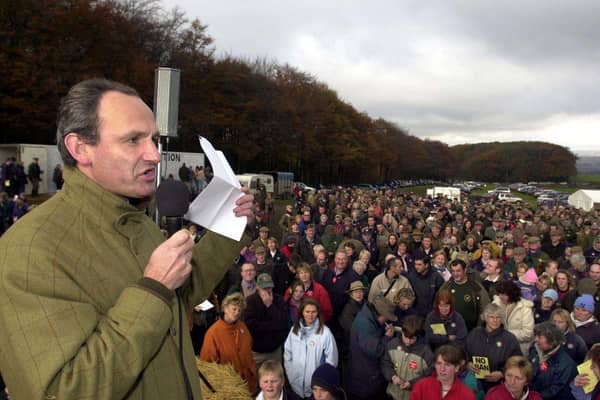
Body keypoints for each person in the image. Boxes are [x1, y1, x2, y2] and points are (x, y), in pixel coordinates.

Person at [0, 78, 256, 400]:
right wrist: (153, 288)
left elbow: (177, 299)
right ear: (80, 148)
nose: (154, 155)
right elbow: (62, 390)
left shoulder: (137, 222)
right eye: (133, 140)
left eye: (153, 139)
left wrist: (229, 230)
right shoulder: (29, 251)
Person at [199, 293, 257, 393]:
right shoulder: (213, 333)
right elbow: (207, 364)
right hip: (229, 388)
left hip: (248, 384)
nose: (237, 312)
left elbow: (249, 350)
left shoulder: (242, 327)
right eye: (234, 309)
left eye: (239, 310)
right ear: (225, 309)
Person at [284, 298, 338, 399]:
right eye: (307, 311)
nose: (310, 315)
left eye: (313, 312)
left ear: (318, 313)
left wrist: (321, 384)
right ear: (302, 313)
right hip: (295, 387)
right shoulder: (294, 330)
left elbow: (332, 361)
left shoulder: (325, 333)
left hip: (316, 391)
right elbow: (287, 354)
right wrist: (291, 376)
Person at [346, 295, 397, 400]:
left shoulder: (368, 317)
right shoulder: (364, 324)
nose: (387, 321)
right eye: (387, 318)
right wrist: (387, 337)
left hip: (366, 379)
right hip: (365, 382)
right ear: (380, 314)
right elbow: (376, 350)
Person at [465, 303, 522, 393]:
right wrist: (467, 363)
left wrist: (502, 374)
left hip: (499, 385)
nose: (495, 320)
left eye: (498, 317)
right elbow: (464, 352)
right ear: (485, 318)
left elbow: (518, 362)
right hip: (474, 383)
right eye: (491, 317)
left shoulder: (509, 339)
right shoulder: (474, 333)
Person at [243, 273, 290, 370]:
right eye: (264, 288)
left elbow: (283, 322)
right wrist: (272, 325)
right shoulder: (250, 301)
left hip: (274, 351)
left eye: (269, 287)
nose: (267, 290)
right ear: (257, 287)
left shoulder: (278, 300)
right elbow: (250, 326)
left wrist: (270, 305)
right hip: (256, 352)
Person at [382, 315, 433, 400]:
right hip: (392, 394)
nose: (408, 341)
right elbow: (385, 363)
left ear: (418, 335)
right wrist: (392, 376)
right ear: (401, 332)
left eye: (412, 338)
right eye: (406, 337)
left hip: (413, 396)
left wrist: (412, 384)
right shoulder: (392, 344)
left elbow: (430, 374)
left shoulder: (426, 352)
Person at [528, 321, 578, 400]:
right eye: (536, 336)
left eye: (540, 337)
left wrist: (532, 397)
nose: (536, 339)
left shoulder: (566, 364)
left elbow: (555, 391)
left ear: (552, 341)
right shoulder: (534, 351)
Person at [410, 344, 476, 400]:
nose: (442, 369)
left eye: (447, 365)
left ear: (457, 368)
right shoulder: (421, 386)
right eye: (439, 363)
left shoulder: (467, 395)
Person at [441, 259, 490, 331]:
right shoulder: (446, 286)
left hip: (471, 330)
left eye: (458, 271)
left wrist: (479, 326)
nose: (455, 274)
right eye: (453, 271)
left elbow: (485, 306)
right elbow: (438, 304)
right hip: (450, 330)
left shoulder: (475, 286)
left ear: (465, 270)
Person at [492, 280, 535, 355]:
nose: (501, 297)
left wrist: (505, 334)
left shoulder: (525, 309)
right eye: (500, 293)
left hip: (519, 349)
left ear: (512, 295)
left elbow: (528, 333)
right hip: (499, 348)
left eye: (504, 294)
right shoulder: (495, 304)